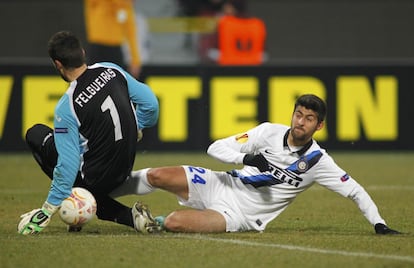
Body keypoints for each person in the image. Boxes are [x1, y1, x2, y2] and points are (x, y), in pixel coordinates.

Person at [111, 94, 401, 234]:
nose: (301, 122)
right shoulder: (267, 132)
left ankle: (153, 222)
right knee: (157, 175)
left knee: (173, 222)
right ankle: (101, 194)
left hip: (241, 216)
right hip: (221, 183)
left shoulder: (319, 162)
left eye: (309, 118)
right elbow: (216, 147)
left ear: (319, 125)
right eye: (298, 114)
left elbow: (355, 190)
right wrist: (246, 158)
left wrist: (379, 224)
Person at [18, 31, 160, 235]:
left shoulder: (67, 106)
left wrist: (47, 210)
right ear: (82, 53)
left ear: (58, 64)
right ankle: (129, 217)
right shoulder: (111, 69)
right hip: (124, 167)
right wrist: (136, 127)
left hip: (95, 180)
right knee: (80, 153)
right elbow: (151, 104)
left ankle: (121, 214)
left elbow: (67, 166)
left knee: (36, 134)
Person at [84, 0, 142, 78]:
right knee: (91, 81)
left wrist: (135, 61)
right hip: (97, 48)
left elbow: (131, 34)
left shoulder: (125, 8)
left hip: (115, 50)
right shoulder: (99, 4)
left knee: (117, 83)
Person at [202, 0, 266, 65]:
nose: (225, 8)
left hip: (227, 69)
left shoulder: (225, 23)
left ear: (233, 7)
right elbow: (264, 53)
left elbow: (209, 49)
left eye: (227, 6)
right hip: (254, 69)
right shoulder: (257, 24)